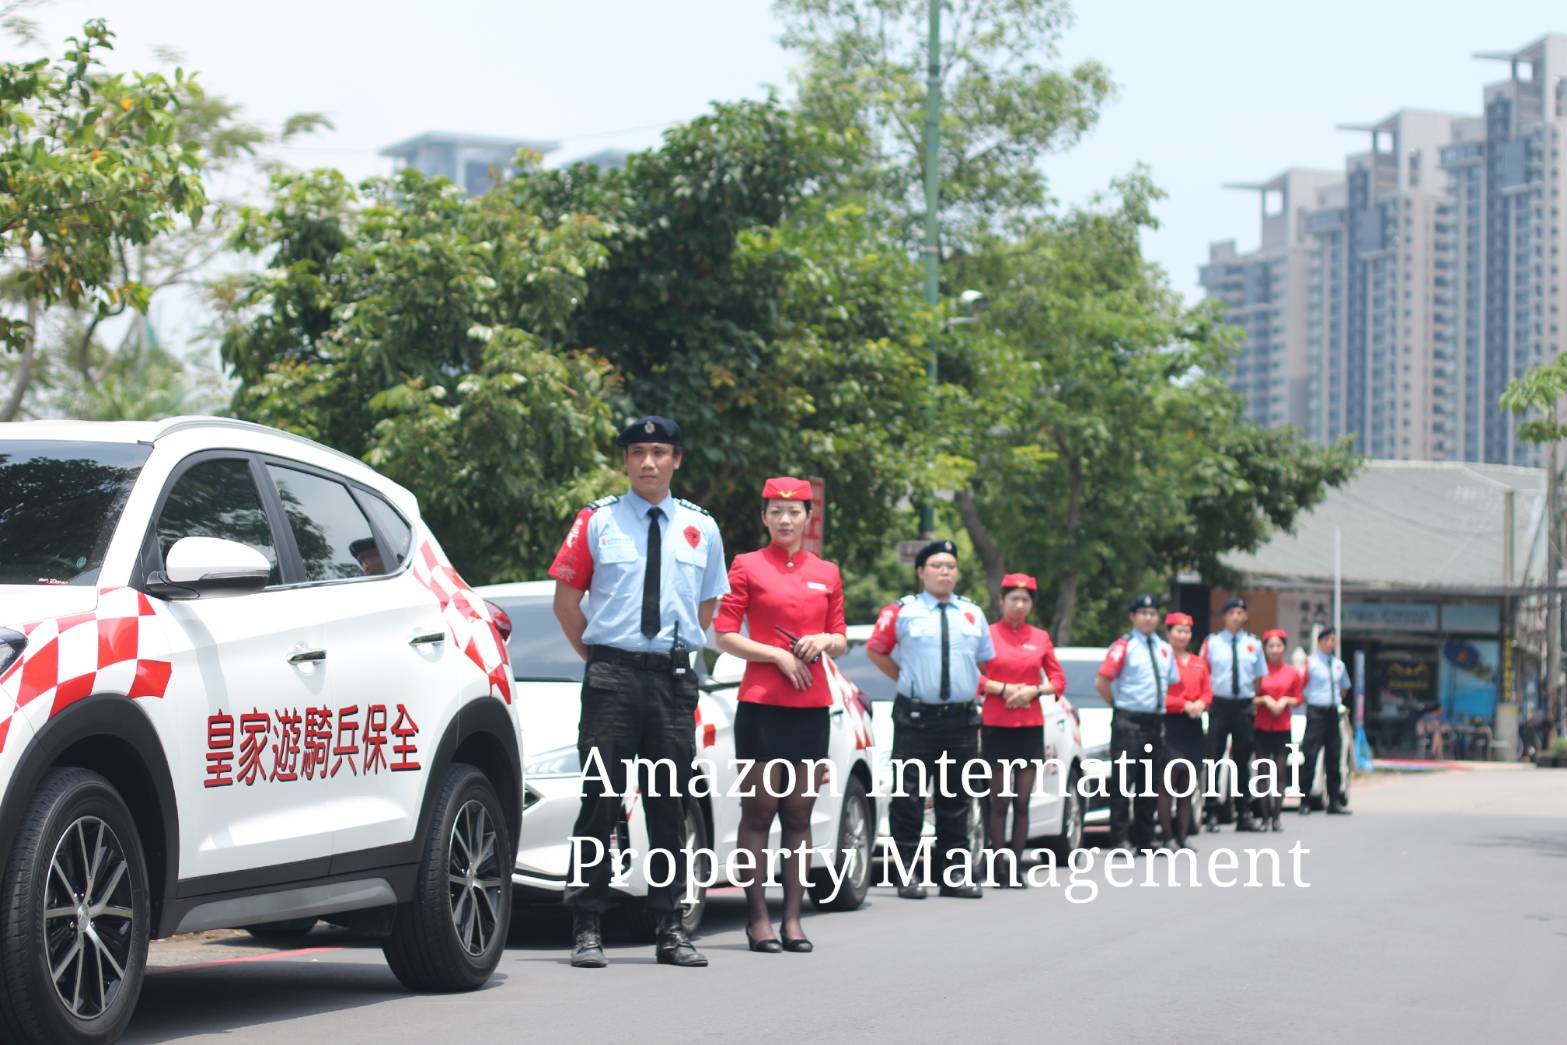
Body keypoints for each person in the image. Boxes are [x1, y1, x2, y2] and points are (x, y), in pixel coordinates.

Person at [548, 415, 728, 969]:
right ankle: (587, 925)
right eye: (638, 452)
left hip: (673, 682)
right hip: (612, 679)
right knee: (600, 802)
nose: (648, 462)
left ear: (676, 460)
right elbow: (566, 602)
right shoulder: (596, 522)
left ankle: (670, 927)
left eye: (659, 451)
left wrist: (668, 657)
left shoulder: (703, 527)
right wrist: (605, 659)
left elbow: (705, 609)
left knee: (668, 805)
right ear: (625, 460)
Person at [712, 477, 847, 954]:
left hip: (812, 706)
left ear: (808, 518)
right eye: (776, 511)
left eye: (794, 512)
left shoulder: (826, 571)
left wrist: (823, 642)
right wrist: (776, 655)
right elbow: (724, 634)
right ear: (764, 517)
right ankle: (757, 918)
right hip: (763, 705)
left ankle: (793, 919)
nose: (785, 520)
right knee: (760, 811)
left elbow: (841, 636)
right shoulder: (746, 565)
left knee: (798, 813)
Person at [866, 539, 995, 899]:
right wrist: (907, 680)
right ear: (922, 572)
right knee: (909, 797)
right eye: (937, 566)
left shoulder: (972, 613)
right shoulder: (902, 611)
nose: (945, 572)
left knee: (956, 798)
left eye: (951, 566)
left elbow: (984, 660)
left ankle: (954, 876)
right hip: (916, 717)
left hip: (961, 719)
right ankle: (906, 873)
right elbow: (876, 650)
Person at [975, 573, 1067, 884]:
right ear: (1001, 601)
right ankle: (997, 865)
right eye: (1013, 598)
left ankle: (1015, 866)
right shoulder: (987, 634)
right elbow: (971, 676)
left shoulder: (1040, 637)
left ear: (1031, 605)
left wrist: (1033, 691)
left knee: (1022, 801)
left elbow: (1058, 680)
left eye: (1025, 600)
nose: (1018, 604)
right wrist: (1000, 688)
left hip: (1029, 726)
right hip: (996, 725)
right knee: (998, 799)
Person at [1095, 595, 1180, 853]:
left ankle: (1145, 837)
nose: (1148, 618)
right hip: (1128, 721)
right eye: (1142, 613)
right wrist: (1119, 707)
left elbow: (1172, 681)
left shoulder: (1164, 649)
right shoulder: (1124, 646)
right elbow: (1102, 682)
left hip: (1155, 722)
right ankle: (1120, 838)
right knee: (1123, 783)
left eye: (1153, 613)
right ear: (1133, 617)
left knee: (1149, 783)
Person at [1201, 596, 1268, 832]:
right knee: (1213, 759)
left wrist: (1250, 699)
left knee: (1242, 761)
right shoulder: (1212, 643)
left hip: (1243, 705)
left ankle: (1244, 813)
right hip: (1219, 705)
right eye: (1232, 613)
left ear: (1245, 617)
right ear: (1224, 617)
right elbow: (1203, 673)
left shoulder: (1253, 644)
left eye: (1240, 613)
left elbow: (1259, 679)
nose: (1236, 617)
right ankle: (1210, 812)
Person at [1159, 612, 1211, 850]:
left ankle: (1183, 835)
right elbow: (1159, 693)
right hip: (1171, 724)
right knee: (1167, 783)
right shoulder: (1162, 659)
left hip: (1193, 725)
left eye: (1187, 631)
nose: (1183, 635)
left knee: (1187, 785)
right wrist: (1183, 704)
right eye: (1178, 631)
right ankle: (1167, 836)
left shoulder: (1199, 662)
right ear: (1168, 633)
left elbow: (1207, 691)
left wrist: (1201, 703)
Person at [1253, 628, 1302, 832]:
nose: (1274, 650)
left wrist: (1284, 701)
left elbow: (1299, 698)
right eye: (1270, 646)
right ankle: (1264, 817)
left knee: (1280, 772)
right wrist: (1264, 699)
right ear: (1265, 649)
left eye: (1278, 646)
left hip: (1282, 726)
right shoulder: (1258, 672)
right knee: (1264, 773)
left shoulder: (1292, 672)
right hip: (1262, 725)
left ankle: (1276, 816)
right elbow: (1251, 697)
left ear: (1284, 648)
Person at [1299, 627, 1352, 815]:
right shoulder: (1311, 663)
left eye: (1333, 640)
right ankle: (1304, 800)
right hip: (1316, 713)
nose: (1331, 643)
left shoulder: (1338, 665)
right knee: (1310, 756)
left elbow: (1344, 688)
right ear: (1320, 642)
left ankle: (1334, 801)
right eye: (1328, 640)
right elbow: (1301, 686)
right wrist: (1314, 701)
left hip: (1332, 713)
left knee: (1334, 757)